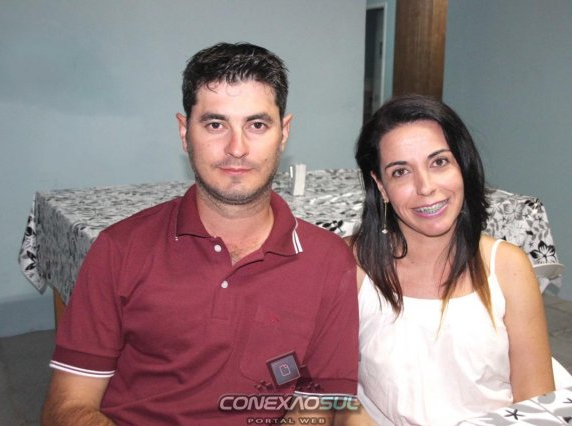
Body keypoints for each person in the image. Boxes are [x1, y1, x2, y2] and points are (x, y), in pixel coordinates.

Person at [41, 42, 359, 425]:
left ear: (284, 133)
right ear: (184, 131)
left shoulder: (328, 260)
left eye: (257, 125)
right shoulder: (119, 249)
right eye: (215, 124)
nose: (237, 148)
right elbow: (68, 406)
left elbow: (316, 402)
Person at [348, 94, 555, 425]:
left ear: (462, 165)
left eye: (439, 162)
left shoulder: (507, 267)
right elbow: (332, 392)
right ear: (381, 186)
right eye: (401, 171)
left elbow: (536, 399)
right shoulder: (351, 266)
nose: (426, 187)